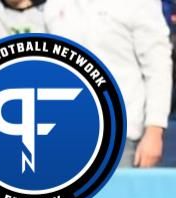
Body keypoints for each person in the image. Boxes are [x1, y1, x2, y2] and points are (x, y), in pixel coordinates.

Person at [48, 0, 169, 168]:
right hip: (62, 136)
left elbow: (158, 68)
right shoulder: (54, 5)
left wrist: (155, 130)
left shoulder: (139, 3)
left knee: (118, 194)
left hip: (119, 137)